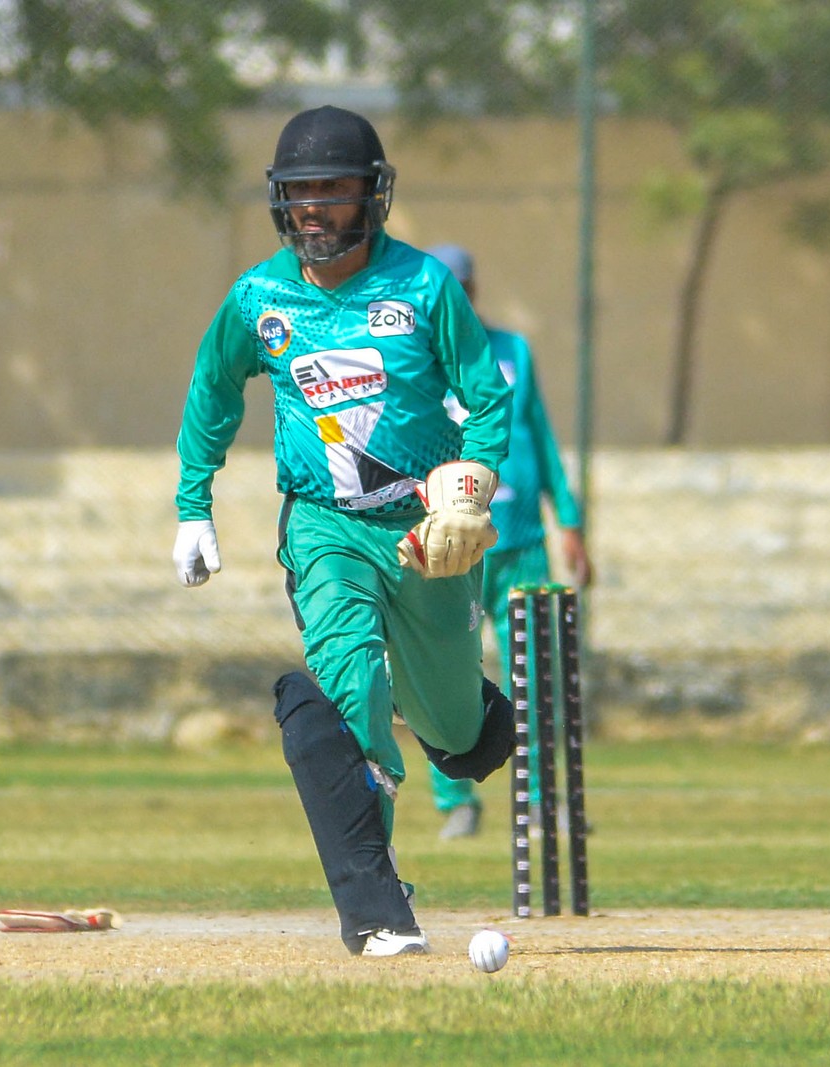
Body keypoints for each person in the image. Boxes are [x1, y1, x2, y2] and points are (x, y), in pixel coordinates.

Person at [171, 106, 518, 957]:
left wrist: (471, 489)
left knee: (455, 732)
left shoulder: (424, 286)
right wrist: (192, 504)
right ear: (280, 202)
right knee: (349, 682)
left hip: (425, 538)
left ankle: (450, 708)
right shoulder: (258, 298)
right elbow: (212, 393)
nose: (316, 208)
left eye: (334, 189)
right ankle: (376, 895)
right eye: (302, 193)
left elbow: (487, 397)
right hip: (325, 527)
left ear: (373, 196)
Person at [421, 244, 595, 841]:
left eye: (463, 287)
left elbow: (538, 435)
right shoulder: (414, 355)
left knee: (537, 676)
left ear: (473, 288)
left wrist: (568, 520)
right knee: (444, 677)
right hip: (450, 549)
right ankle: (457, 802)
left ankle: (542, 801)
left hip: (521, 542)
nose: (456, 299)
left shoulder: (511, 350)